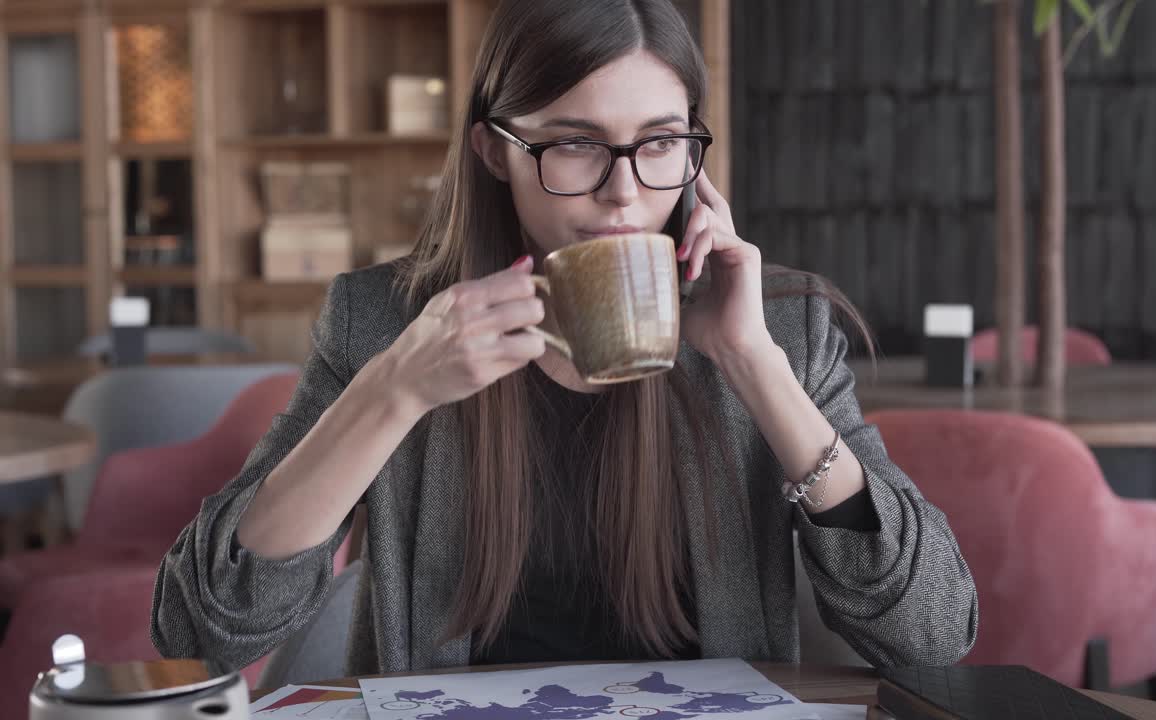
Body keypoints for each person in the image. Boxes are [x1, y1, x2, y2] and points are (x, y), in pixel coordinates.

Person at [151, 0, 977, 675]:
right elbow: (201, 630)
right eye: (575, 145)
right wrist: (394, 388)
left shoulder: (775, 328)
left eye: (659, 143)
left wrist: (755, 367)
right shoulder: (385, 323)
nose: (624, 193)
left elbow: (936, 634)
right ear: (494, 152)